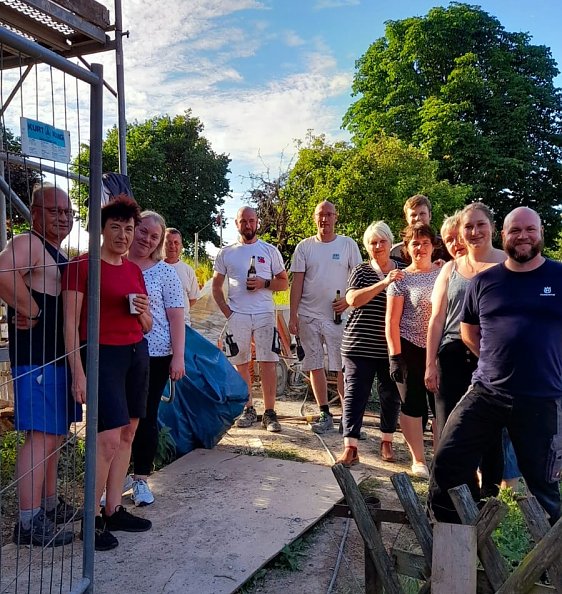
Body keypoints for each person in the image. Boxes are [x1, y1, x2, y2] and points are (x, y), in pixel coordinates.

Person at [428, 207, 562, 525]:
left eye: (530, 229)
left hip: (541, 397)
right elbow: (468, 332)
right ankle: (453, 542)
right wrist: (498, 361)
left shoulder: (558, 277)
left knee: (544, 484)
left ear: (540, 232)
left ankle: (551, 562)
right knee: (447, 461)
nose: (523, 236)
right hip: (487, 391)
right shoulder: (486, 281)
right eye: (515, 230)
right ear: (505, 235)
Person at [63, 195, 152, 550]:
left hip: (136, 353)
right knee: (106, 439)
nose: (123, 235)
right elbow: (69, 324)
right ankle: (91, 519)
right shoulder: (81, 266)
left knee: (129, 433)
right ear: (101, 229)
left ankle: (113, 508)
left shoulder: (133, 270)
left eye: (129, 229)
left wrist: (142, 312)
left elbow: (146, 325)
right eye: (115, 227)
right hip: (101, 355)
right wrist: (78, 373)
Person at [0, 184, 82, 547]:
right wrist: (30, 309)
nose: (62, 218)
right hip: (37, 359)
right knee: (41, 437)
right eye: (54, 211)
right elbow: (3, 272)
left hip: (57, 358)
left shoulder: (55, 252)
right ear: (34, 212)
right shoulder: (29, 243)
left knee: (54, 436)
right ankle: (29, 521)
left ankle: (48, 506)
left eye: (67, 213)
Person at [425, 203, 506, 496]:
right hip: (452, 356)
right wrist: (430, 363)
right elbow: (436, 319)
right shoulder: (450, 268)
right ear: (460, 233)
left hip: (493, 359)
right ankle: (456, 499)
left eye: (480, 225)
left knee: (490, 431)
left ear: (493, 228)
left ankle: (491, 500)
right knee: (449, 431)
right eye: (468, 227)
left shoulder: (508, 264)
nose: (474, 232)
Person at [212, 206, 288, 432]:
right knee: (241, 363)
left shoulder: (269, 250)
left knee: (268, 362)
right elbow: (216, 285)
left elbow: (283, 282)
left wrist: (265, 283)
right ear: (237, 224)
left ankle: (270, 412)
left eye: (251, 220)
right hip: (238, 314)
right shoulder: (227, 252)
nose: (248, 225)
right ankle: (248, 408)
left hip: (264, 313)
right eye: (243, 221)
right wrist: (228, 311)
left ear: (257, 222)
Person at [336, 221, 405, 467]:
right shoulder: (361, 270)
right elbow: (352, 298)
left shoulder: (404, 269)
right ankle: (350, 446)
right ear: (367, 247)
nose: (377, 246)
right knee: (355, 395)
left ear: (390, 242)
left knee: (391, 395)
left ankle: (387, 440)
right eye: (372, 243)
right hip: (358, 345)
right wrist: (385, 283)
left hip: (391, 347)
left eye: (382, 241)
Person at [289, 201, 362, 433]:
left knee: (342, 366)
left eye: (329, 214)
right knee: (315, 364)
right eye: (321, 214)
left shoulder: (348, 245)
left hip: (339, 316)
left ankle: (347, 416)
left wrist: (348, 300)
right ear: (314, 218)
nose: (325, 219)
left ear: (336, 217)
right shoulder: (304, 247)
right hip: (309, 315)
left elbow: (358, 278)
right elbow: (297, 283)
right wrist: (293, 316)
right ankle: (324, 413)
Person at [128, 211, 186, 506]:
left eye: (154, 237)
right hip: (118, 350)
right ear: (133, 228)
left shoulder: (165, 272)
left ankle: (140, 479)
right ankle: (109, 482)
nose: (147, 239)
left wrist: (179, 357)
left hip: (156, 353)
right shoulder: (115, 262)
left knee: (146, 416)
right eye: (143, 231)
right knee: (116, 419)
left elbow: (177, 317)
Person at [385, 223, 441, 478]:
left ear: (433, 245)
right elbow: (392, 322)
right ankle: (418, 459)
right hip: (409, 348)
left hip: (439, 347)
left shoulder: (444, 272)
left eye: (425, 242)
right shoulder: (400, 279)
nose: (420, 247)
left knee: (441, 405)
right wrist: (395, 357)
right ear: (407, 248)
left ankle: (441, 457)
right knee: (412, 404)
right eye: (415, 243)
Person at [390, 194, 450, 263]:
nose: (418, 218)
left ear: (430, 215)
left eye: (422, 214)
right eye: (413, 215)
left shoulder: (445, 246)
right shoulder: (396, 252)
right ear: (406, 218)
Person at [164, 227, 200, 326]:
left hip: (183, 326)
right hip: (159, 327)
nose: (172, 246)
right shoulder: (153, 268)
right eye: (168, 242)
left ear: (181, 246)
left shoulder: (188, 270)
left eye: (176, 243)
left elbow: (192, 299)